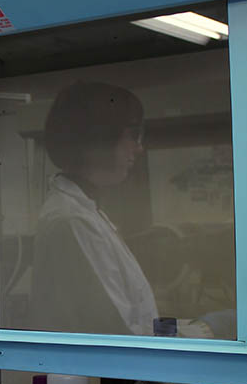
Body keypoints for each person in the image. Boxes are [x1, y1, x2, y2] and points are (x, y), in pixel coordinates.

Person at [28, 81, 158, 335]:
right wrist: (205, 331)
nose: (138, 148)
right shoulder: (72, 220)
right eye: (132, 135)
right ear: (99, 137)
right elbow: (117, 331)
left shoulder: (83, 211)